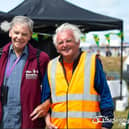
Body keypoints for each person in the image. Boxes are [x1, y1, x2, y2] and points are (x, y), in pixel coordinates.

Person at [33, 23, 114, 129]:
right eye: (60, 42)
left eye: (68, 41)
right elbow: (45, 99)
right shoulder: (51, 66)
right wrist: (47, 121)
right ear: (57, 48)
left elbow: (105, 97)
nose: (64, 45)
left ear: (78, 42)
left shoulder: (92, 62)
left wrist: (106, 126)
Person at [0, 16, 50, 129]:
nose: (19, 37)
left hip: (29, 123)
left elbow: (53, 88)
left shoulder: (41, 58)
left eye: (24, 34)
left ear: (30, 35)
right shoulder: (0, 56)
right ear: (10, 33)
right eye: (16, 33)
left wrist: (47, 104)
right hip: (3, 121)